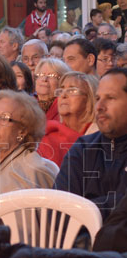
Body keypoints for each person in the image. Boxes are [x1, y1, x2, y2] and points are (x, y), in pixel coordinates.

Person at [54, 68, 127, 219]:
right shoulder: (83, 148)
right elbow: (58, 211)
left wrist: (84, 208)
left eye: (111, 98)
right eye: (98, 98)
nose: (100, 106)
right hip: (81, 241)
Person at [38, 72, 99, 166]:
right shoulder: (47, 136)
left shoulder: (102, 136)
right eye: (61, 91)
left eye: (72, 90)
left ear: (90, 97)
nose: (63, 95)